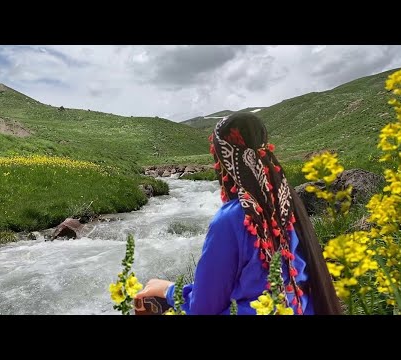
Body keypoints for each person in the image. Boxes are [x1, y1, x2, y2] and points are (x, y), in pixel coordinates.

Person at [135, 112, 342, 315]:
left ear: (224, 163)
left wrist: (167, 289)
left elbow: (204, 308)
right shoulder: (287, 202)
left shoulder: (231, 219)